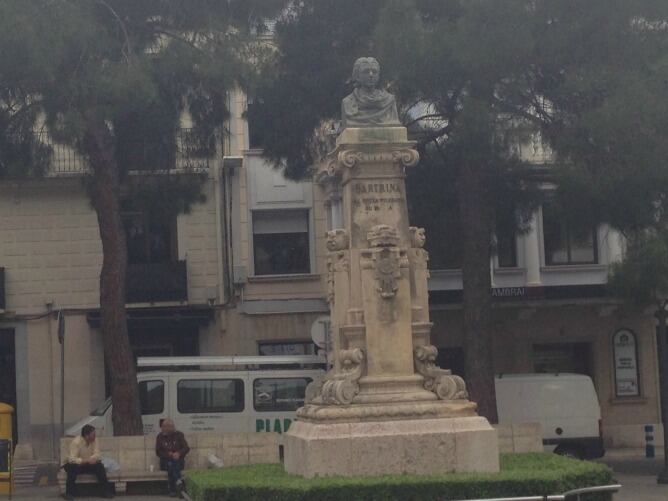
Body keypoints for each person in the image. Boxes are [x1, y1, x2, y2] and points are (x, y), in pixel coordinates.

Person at [341, 57, 400, 128]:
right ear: (357, 76)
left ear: (378, 76)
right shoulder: (347, 103)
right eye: (366, 71)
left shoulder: (389, 100)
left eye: (374, 71)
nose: (371, 75)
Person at [64, 424, 113, 500]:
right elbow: (72, 459)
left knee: (99, 466)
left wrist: (92, 459)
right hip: (77, 464)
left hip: (88, 464)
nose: (95, 436)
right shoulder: (76, 442)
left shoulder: (94, 440)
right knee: (72, 468)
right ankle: (69, 493)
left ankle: (105, 491)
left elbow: (97, 453)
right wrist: (86, 461)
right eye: (93, 434)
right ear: (87, 435)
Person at [155, 419, 190, 497]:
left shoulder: (179, 435)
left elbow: (186, 448)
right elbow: (158, 452)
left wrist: (179, 453)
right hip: (165, 462)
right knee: (171, 464)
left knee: (172, 464)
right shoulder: (160, 437)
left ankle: (173, 490)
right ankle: (179, 484)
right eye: (164, 426)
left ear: (172, 427)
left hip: (178, 461)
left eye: (168, 427)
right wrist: (168, 454)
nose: (164, 428)